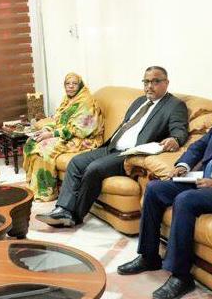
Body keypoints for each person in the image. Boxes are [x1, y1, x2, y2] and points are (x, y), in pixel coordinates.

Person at [117, 72, 212, 299]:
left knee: (186, 199)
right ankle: (149, 256)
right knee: (155, 189)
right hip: (206, 179)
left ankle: (181, 275)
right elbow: (201, 145)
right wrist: (183, 165)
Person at [36, 66, 189, 227]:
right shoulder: (139, 101)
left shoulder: (174, 105)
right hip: (111, 147)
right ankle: (62, 209)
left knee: (94, 168)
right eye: (146, 82)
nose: (149, 86)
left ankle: (74, 216)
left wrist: (175, 139)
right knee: (76, 162)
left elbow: (179, 130)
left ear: (166, 83)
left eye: (155, 82)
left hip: (129, 154)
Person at [23, 73, 104, 201]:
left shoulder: (85, 101)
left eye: (74, 83)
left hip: (83, 139)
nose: (70, 86)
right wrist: (46, 129)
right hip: (66, 134)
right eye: (68, 84)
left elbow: (81, 130)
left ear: (80, 85)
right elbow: (58, 120)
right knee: (31, 142)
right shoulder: (67, 99)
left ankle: (46, 192)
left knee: (44, 148)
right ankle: (34, 186)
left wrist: (52, 134)